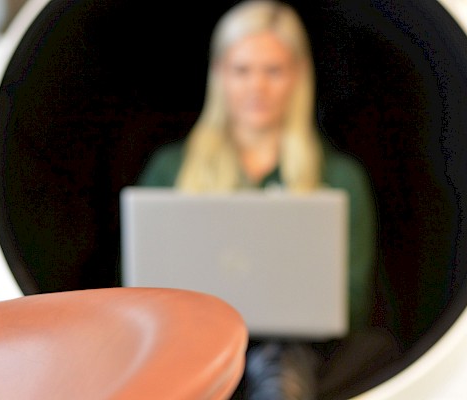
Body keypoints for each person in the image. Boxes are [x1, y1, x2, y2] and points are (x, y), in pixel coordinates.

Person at [138, 0, 377, 398]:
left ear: (298, 75)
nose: (257, 87)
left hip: (300, 358)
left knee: (285, 364)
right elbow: (138, 287)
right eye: (242, 70)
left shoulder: (338, 179)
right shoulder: (171, 171)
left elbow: (352, 302)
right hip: (192, 350)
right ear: (219, 74)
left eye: (273, 71)